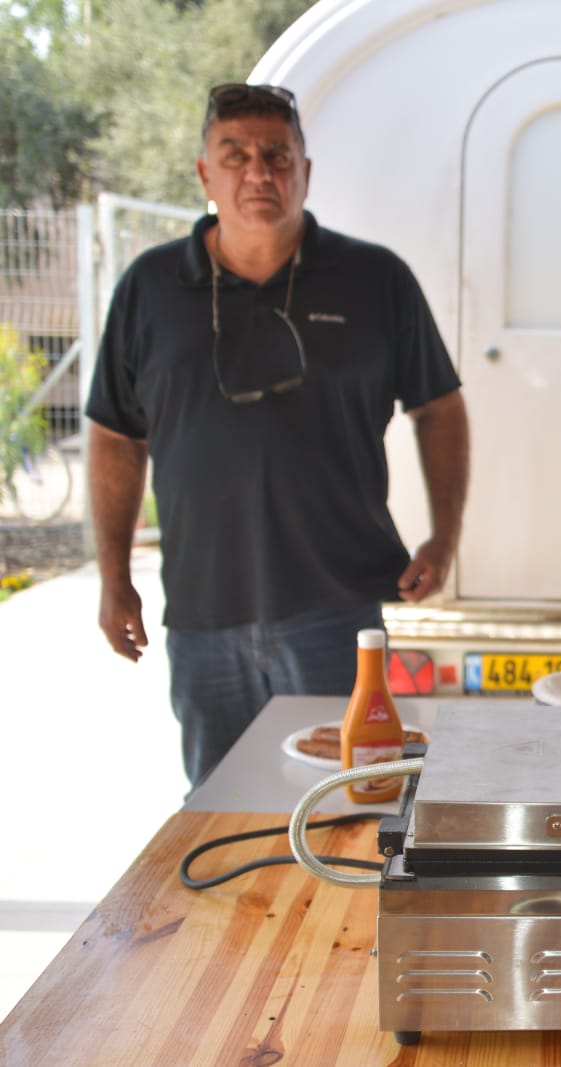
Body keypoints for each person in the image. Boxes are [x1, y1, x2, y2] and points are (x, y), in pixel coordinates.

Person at [86, 83, 469, 787]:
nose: (258, 172)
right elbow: (115, 436)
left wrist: (444, 538)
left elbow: (439, 408)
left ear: (305, 171)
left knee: (350, 801)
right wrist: (114, 578)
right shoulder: (150, 287)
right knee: (221, 807)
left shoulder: (375, 279)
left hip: (337, 613)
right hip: (204, 615)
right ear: (205, 173)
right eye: (235, 155)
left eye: (277, 155)